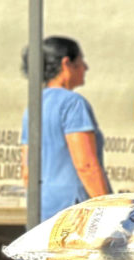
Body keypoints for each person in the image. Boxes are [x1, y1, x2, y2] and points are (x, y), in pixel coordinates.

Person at [20, 36, 111, 220]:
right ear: (66, 63)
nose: (85, 67)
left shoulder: (34, 105)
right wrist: (109, 210)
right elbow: (86, 165)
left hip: (42, 210)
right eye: (81, 60)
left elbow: (26, 170)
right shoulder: (73, 103)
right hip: (73, 211)